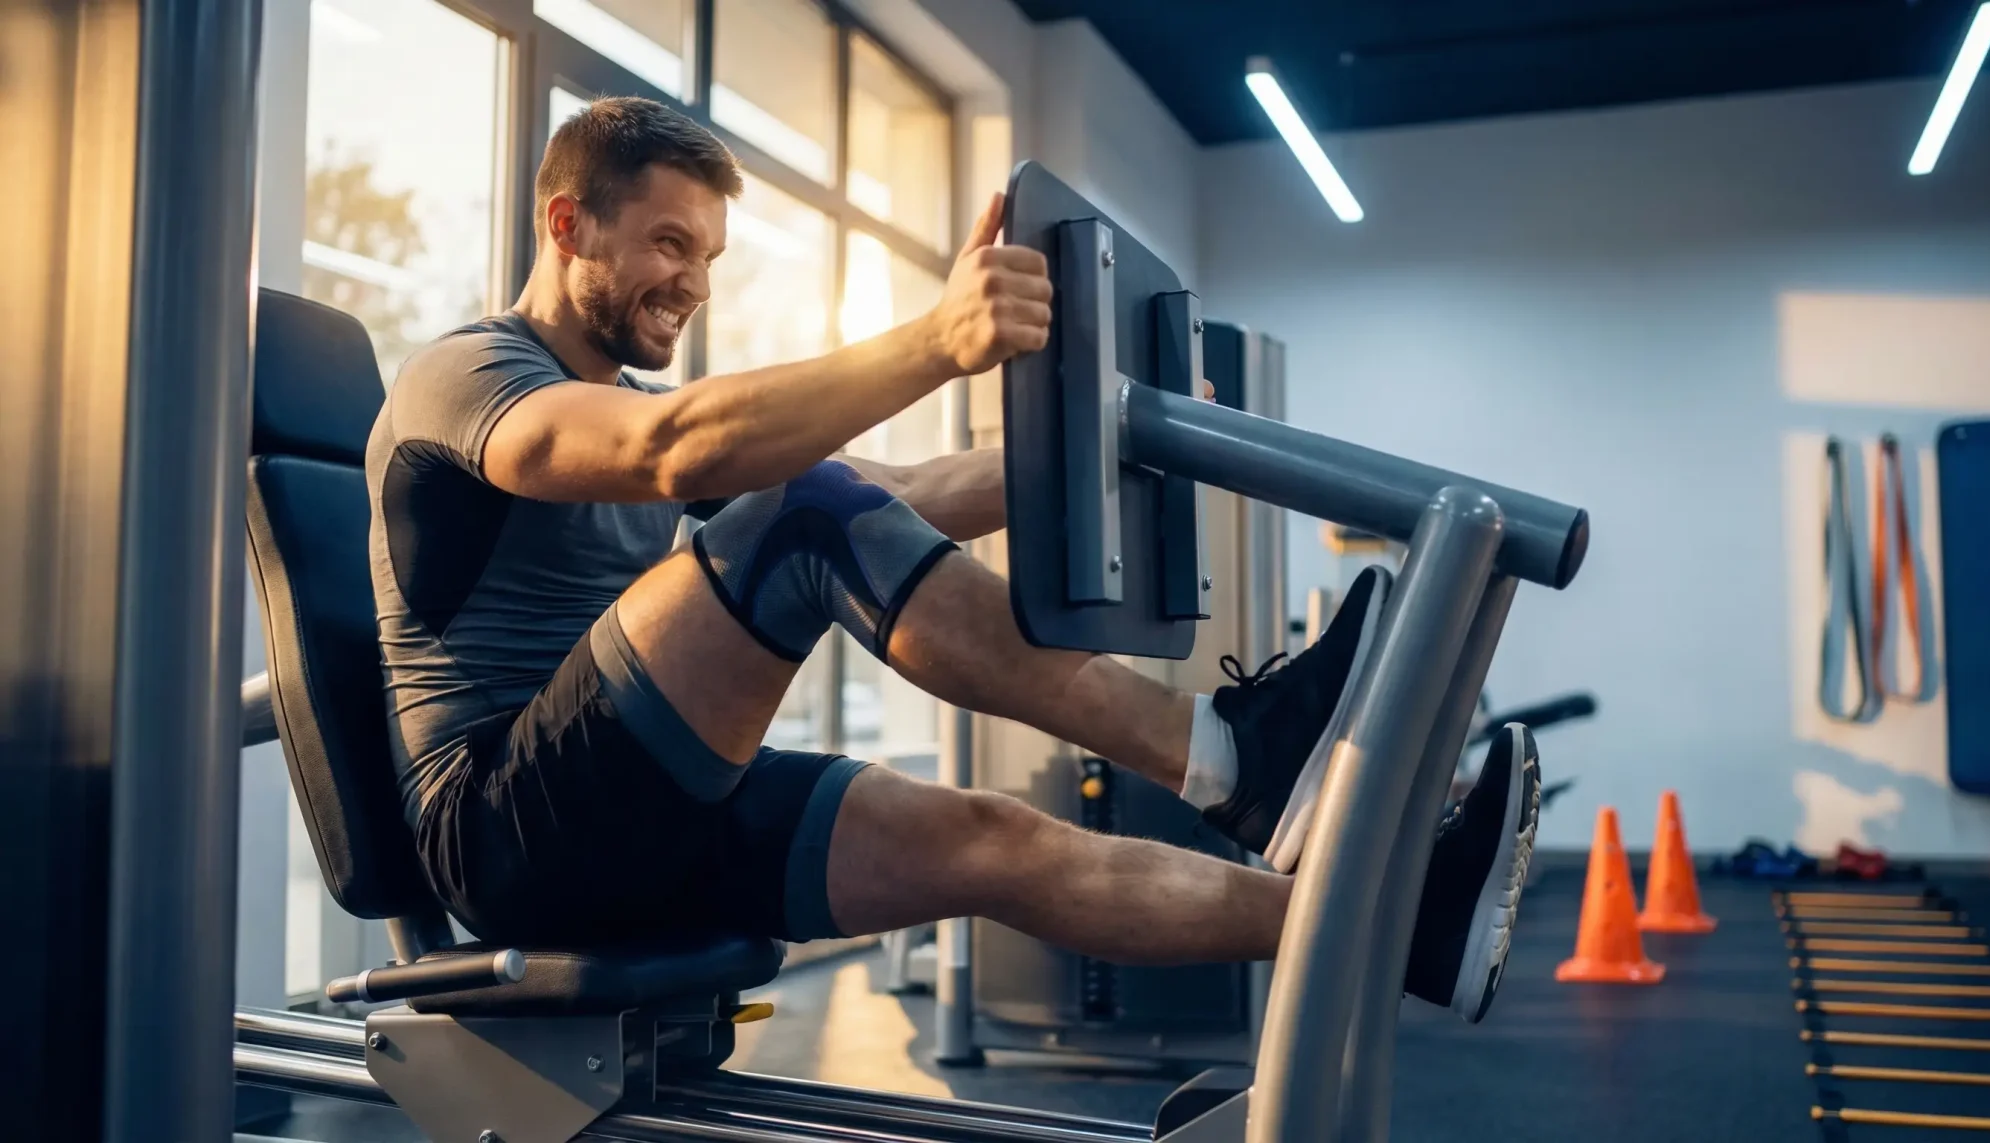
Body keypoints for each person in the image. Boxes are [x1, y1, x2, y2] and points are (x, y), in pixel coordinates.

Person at [367, 96, 1539, 1024]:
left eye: (709, 254)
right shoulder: (467, 374)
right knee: (800, 508)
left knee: (996, 841)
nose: (693, 281)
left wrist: (1108, 433)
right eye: (669, 242)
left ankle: (1394, 921)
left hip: (647, 808)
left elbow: (906, 499)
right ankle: (1239, 763)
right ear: (566, 223)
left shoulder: (641, 410)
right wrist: (932, 342)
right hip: (508, 831)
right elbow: (680, 452)